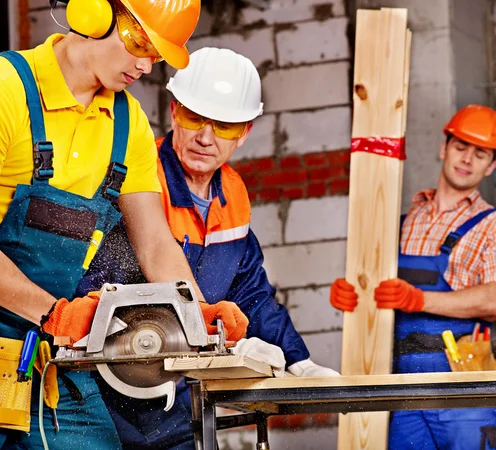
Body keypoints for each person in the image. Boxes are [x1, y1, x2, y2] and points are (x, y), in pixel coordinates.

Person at [0, 1, 249, 448]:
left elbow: (155, 244)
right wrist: (55, 313)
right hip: (44, 324)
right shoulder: (8, 90)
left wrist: (194, 314)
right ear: (93, 13)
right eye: (140, 43)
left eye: (156, 56)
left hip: (43, 354)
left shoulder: (127, 121)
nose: (144, 65)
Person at [76, 47, 340, 449]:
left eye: (225, 126)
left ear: (246, 132)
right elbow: (111, 290)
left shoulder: (231, 196)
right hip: (110, 391)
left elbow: (250, 290)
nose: (205, 137)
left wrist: (298, 361)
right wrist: (228, 343)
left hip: (181, 399)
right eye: (194, 117)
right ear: (173, 110)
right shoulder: (138, 180)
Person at [330, 105, 496, 449]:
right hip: (399, 383)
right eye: (460, 147)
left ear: (492, 165)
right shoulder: (403, 219)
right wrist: (353, 294)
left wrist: (420, 299)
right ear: (444, 148)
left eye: (480, 153)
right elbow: (376, 284)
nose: (467, 159)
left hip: (463, 384)